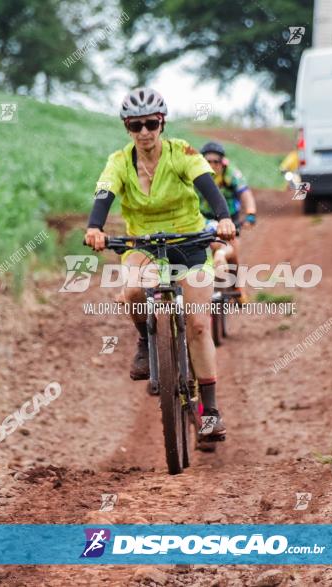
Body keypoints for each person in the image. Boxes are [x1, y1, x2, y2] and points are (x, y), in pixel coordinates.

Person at [84, 88, 236, 439]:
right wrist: (94, 227)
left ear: (162, 122)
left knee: (198, 325)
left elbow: (206, 185)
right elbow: (104, 193)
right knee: (133, 290)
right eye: (135, 125)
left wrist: (224, 218)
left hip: (189, 242)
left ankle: (210, 411)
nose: (144, 132)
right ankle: (144, 340)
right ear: (127, 127)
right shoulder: (119, 162)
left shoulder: (181, 152)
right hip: (144, 244)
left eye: (151, 123)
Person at [197, 141, 257, 303]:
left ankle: (237, 285)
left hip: (230, 218)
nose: (212, 165)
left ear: (223, 162)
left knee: (233, 252)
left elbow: (245, 194)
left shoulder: (231, 174)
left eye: (216, 162)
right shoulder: (195, 174)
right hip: (202, 219)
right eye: (208, 161)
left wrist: (250, 214)